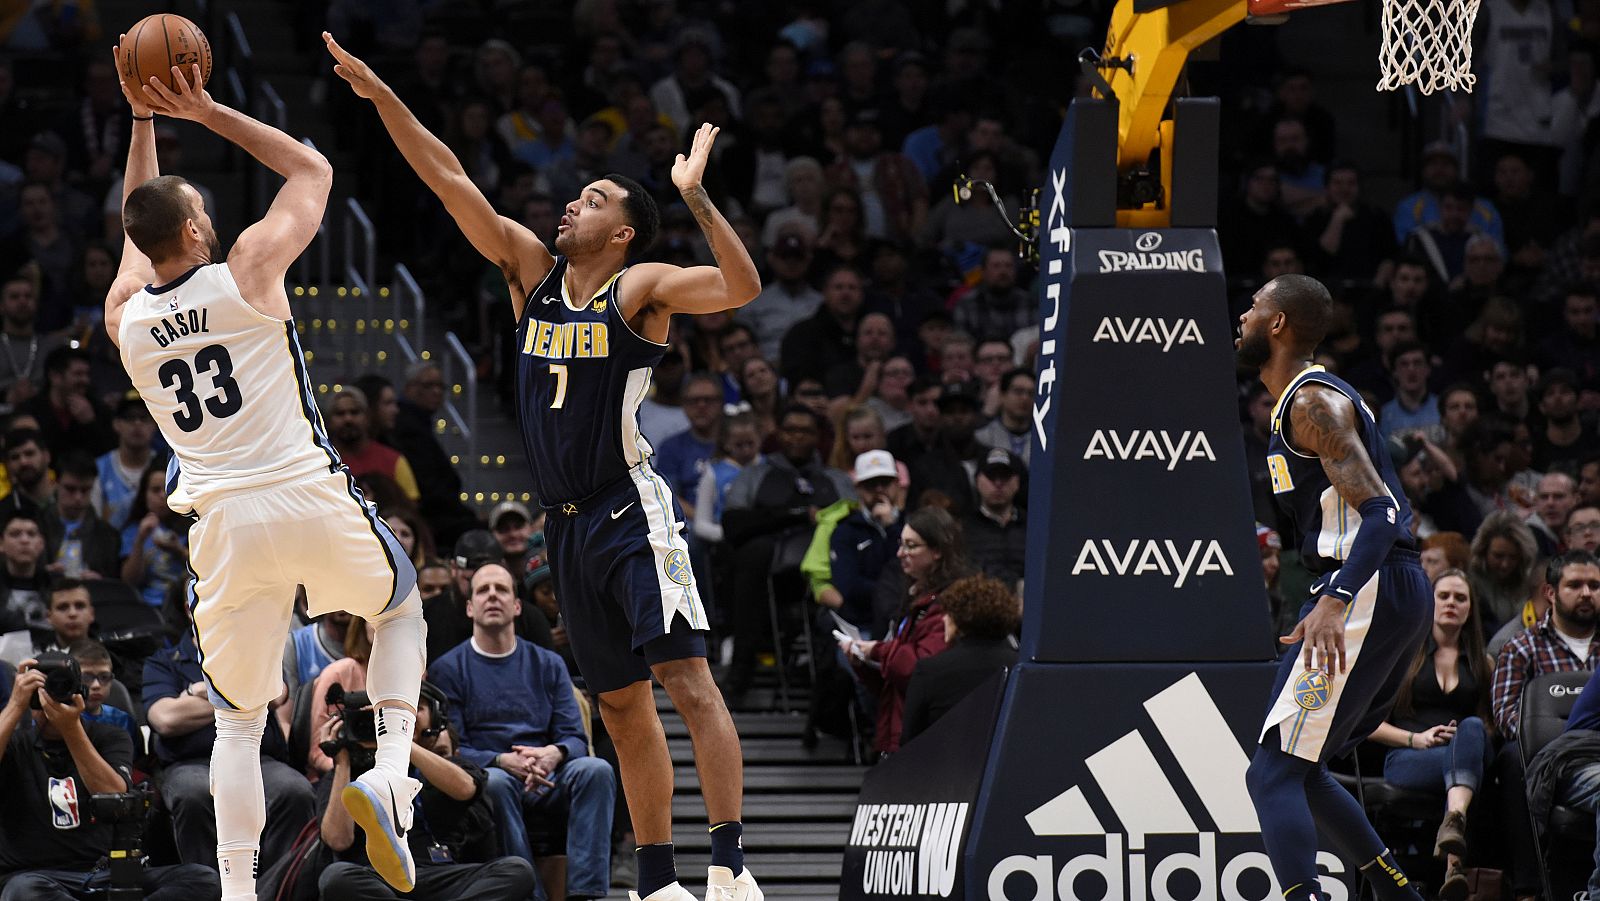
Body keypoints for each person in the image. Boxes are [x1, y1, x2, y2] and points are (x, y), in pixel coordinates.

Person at [329, 34, 763, 901]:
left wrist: (697, 197)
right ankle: (664, 882)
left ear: (624, 230)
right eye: (575, 194)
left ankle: (730, 865)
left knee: (685, 678)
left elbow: (741, 287)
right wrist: (382, 97)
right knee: (619, 707)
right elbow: (450, 178)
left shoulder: (639, 286)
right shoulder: (531, 273)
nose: (572, 204)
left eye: (592, 199)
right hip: (566, 521)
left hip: (630, 505)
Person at [105, 60, 426, 898]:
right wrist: (204, 111)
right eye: (204, 212)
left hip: (220, 524)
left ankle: (240, 890)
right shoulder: (248, 269)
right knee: (399, 605)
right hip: (304, 490)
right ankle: (392, 772)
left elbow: (136, 240)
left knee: (239, 722)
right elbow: (312, 168)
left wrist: (142, 121)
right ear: (202, 232)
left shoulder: (126, 318)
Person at [1234, 273, 1431, 901]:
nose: (1243, 316)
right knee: (1300, 769)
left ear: (1279, 324)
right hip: (1377, 587)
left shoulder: (1314, 404)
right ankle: (1403, 895)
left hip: (1365, 588)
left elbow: (1382, 514)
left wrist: (1335, 598)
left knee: (1270, 775)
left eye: (1255, 307)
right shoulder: (1301, 404)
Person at [428, 563, 615, 900]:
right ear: (470, 607)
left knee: (596, 769)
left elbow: (574, 737)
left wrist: (552, 754)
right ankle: (528, 893)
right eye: (483, 590)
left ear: (516, 606)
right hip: (490, 774)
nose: (492, 596)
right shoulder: (449, 669)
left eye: (501, 589)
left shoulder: (548, 663)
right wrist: (500, 760)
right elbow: (453, 749)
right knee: (495, 784)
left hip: (547, 774)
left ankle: (586, 893)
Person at [0, 660, 219, 901]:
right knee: (23, 891)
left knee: (201, 879)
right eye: (42, 693)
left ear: (79, 693)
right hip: (35, 876)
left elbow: (113, 795)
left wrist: (71, 729)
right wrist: (15, 703)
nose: (53, 698)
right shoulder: (14, 743)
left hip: (105, 872)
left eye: (62, 689)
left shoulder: (110, 736)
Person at [315, 681, 538, 901]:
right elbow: (338, 840)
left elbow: (465, 789)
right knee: (336, 877)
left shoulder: (445, 765)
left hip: (443, 874)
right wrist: (342, 763)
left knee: (516, 870)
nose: (402, 716)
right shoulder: (347, 773)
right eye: (388, 713)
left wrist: (398, 740)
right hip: (381, 879)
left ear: (435, 717)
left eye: (414, 707)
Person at [1367, 570, 1495, 897]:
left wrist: (1466, 741)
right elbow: (1366, 725)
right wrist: (1416, 739)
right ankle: (1455, 843)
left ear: (1470, 609)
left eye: (1460, 598)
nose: (1451, 603)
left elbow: (1492, 725)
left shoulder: (1484, 663)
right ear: (1430, 602)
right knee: (1466, 752)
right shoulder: (1403, 656)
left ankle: (1453, 833)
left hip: (1467, 754)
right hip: (1409, 758)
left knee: (1472, 727)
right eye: (1444, 596)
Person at [840, 506, 967, 756]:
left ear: (937, 551)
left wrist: (877, 650)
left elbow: (919, 670)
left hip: (927, 743)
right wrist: (863, 664)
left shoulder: (949, 604)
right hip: (898, 736)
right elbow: (895, 684)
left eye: (911, 546)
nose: (900, 553)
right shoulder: (916, 600)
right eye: (901, 544)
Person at [899, 575, 1019, 744]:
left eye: (947, 613)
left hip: (945, 767)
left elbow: (909, 741)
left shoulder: (929, 671)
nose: (943, 619)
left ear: (959, 618)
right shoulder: (1020, 666)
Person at [92, 394, 155, 530]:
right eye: (129, 418)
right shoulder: (100, 469)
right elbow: (94, 524)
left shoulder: (164, 467)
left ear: (154, 424)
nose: (137, 424)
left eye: (144, 418)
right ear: (116, 424)